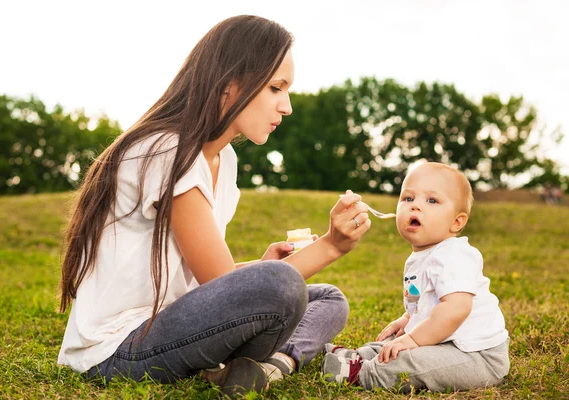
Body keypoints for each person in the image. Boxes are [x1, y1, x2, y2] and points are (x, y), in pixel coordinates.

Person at [57, 15, 372, 399]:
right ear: (230, 84)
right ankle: (262, 364)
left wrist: (257, 268)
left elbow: (196, 280)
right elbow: (222, 284)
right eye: (276, 88)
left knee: (328, 299)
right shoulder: (168, 151)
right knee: (282, 283)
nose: (286, 107)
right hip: (117, 352)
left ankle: (273, 367)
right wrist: (331, 246)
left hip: (172, 325)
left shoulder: (225, 161)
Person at [322, 162, 510, 393]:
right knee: (391, 345)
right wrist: (408, 319)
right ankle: (361, 356)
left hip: (476, 355)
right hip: (447, 343)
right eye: (408, 199)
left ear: (456, 222)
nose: (415, 207)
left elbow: (455, 309)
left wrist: (412, 339)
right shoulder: (421, 256)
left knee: (408, 360)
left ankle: (361, 373)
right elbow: (428, 301)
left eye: (432, 201)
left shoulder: (454, 255)